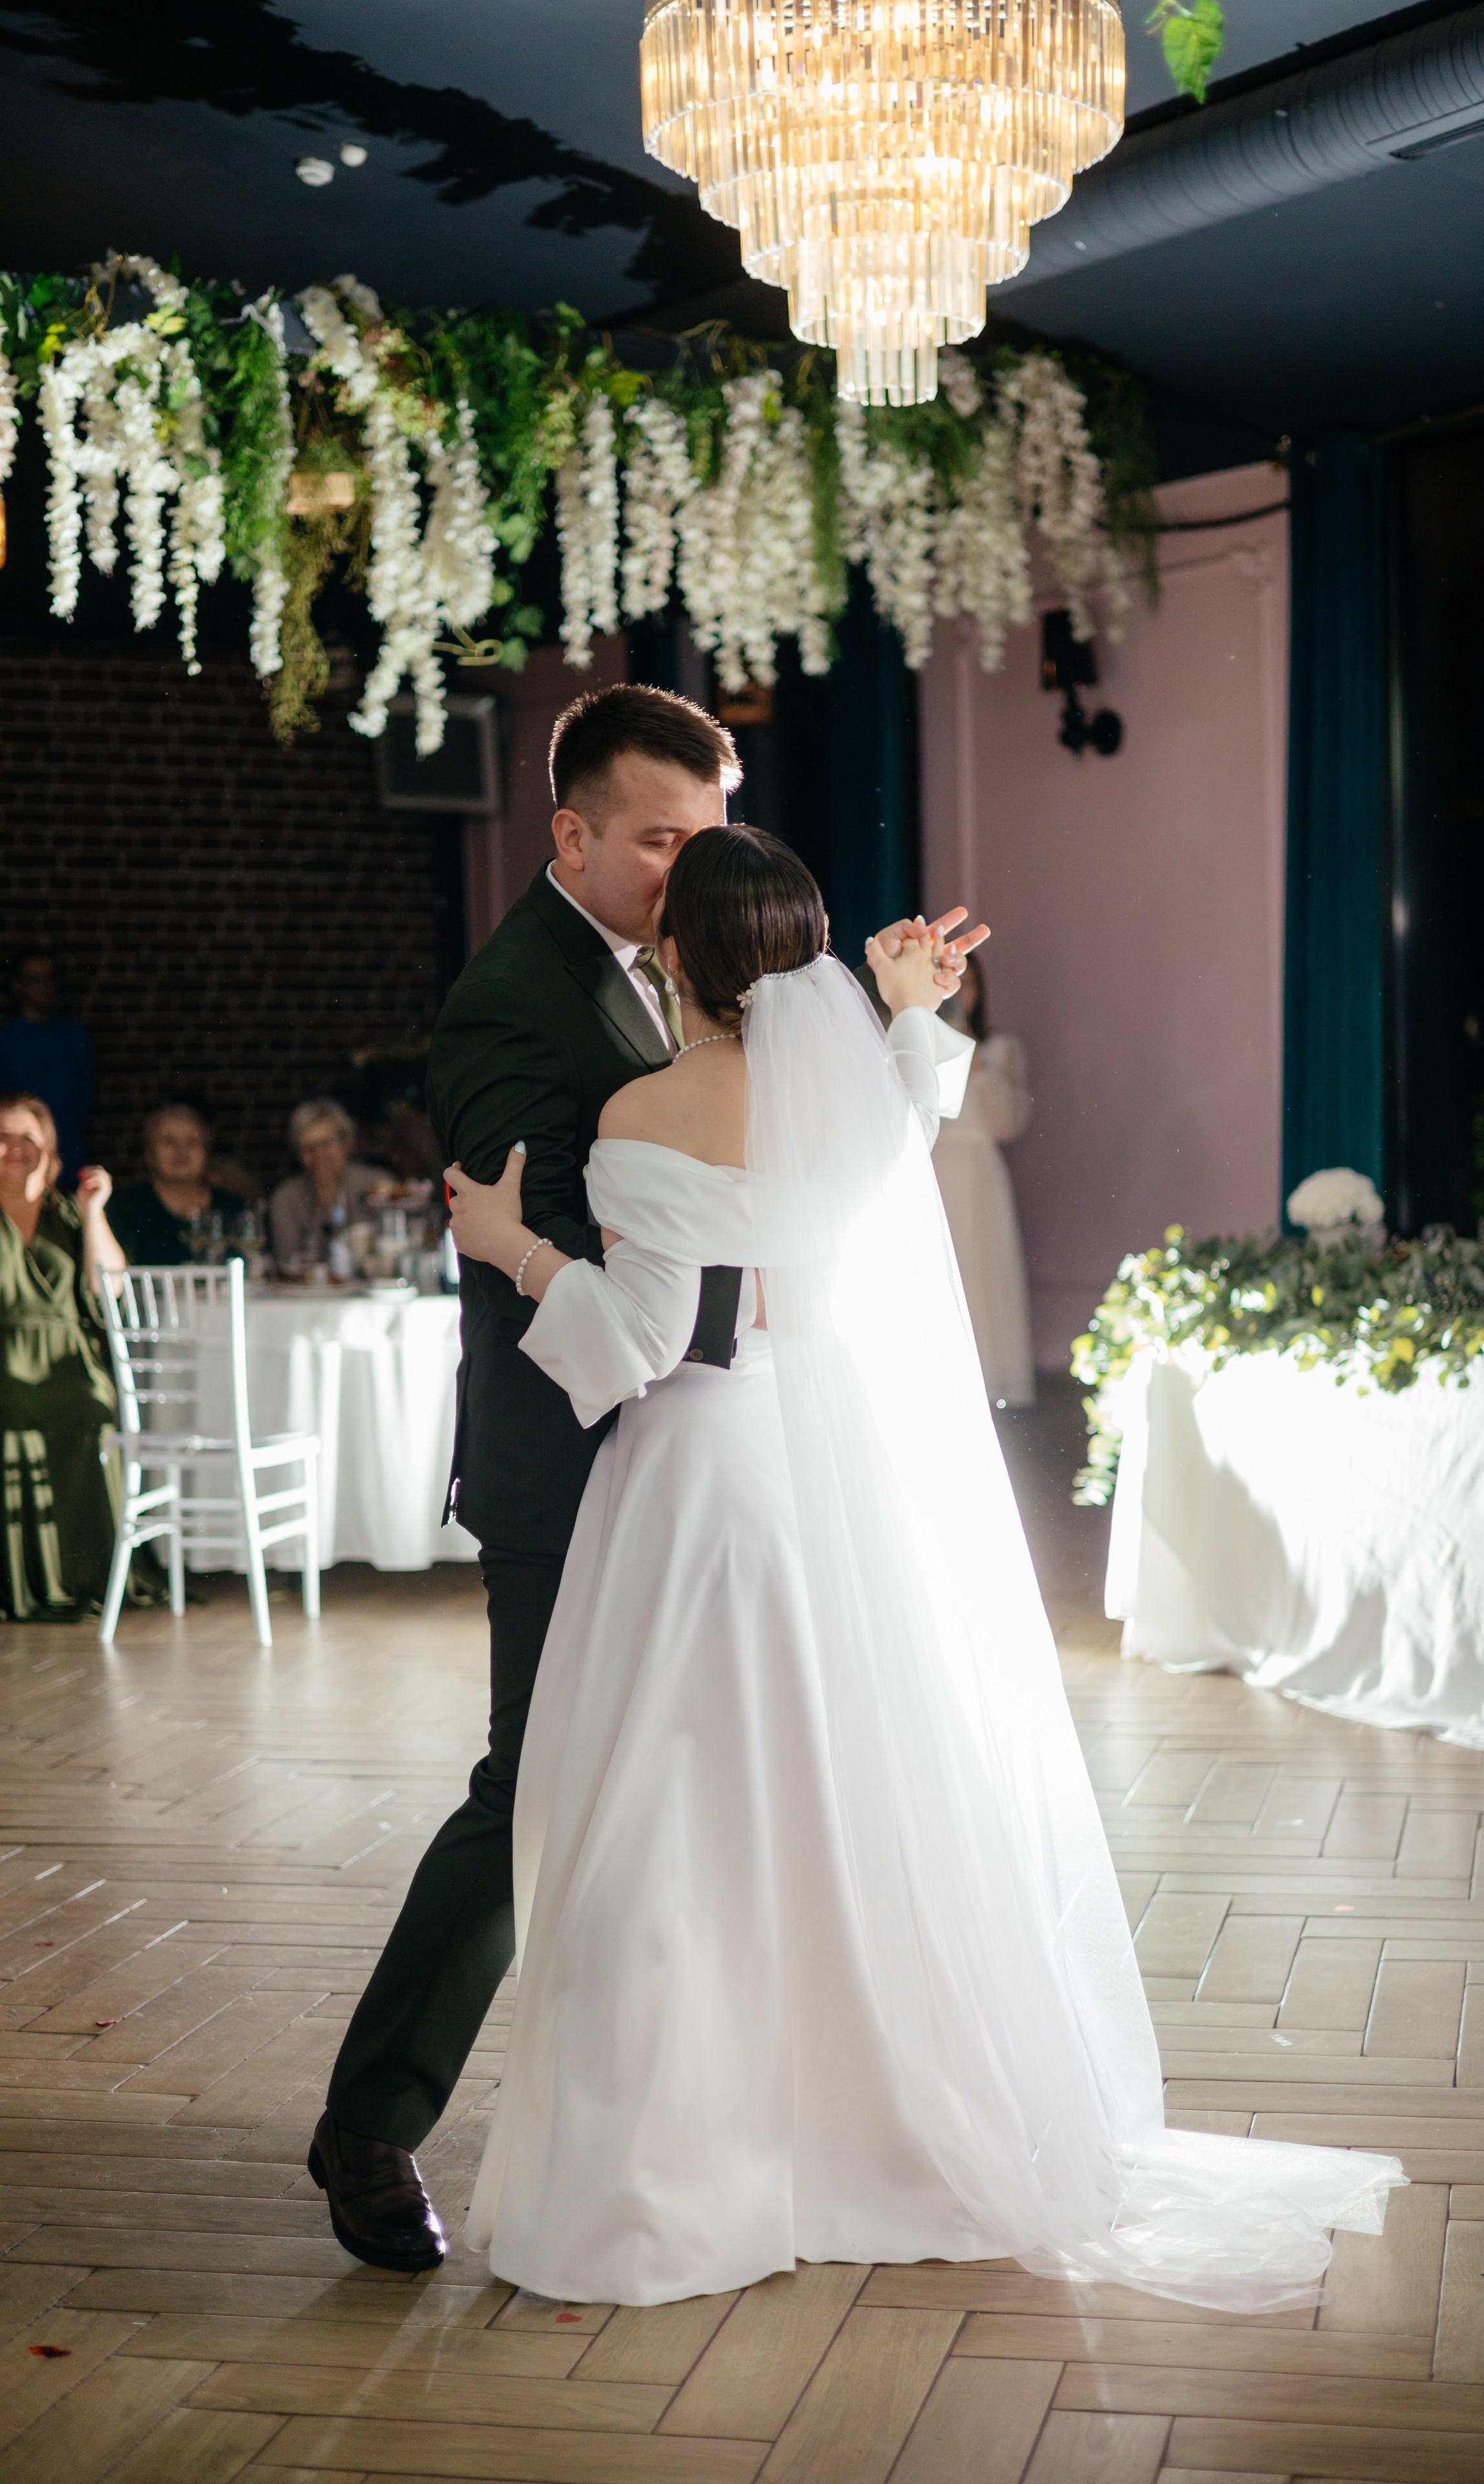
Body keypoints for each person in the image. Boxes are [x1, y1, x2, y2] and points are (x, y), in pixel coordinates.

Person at [441, 827, 1403, 2311]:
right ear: (799, 954)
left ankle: (674, 2169)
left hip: (699, 1482)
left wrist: (511, 1246)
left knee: (674, 1819)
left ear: (678, 955)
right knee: (844, 1797)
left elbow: (640, 1342)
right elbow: (908, 1109)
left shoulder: (642, 1110)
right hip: (842, 1482)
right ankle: (868, 2131)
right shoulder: (856, 1108)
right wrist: (905, 1009)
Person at [307, 682, 987, 2272]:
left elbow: (729, 1206)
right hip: (582, 1466)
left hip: (711, 1452)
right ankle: (372, 2124)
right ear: (571, 833)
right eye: (661, 841)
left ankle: (729, 2124)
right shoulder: (508, 1001)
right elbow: (567, 1234)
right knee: (535, 1796)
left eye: (708, 837)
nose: (688, 871)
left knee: (721, 1800)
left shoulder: (716, 993)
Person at [0, 1092, 132, 1620]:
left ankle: (89, 1574)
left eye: (26, 1137)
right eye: (1, 1137)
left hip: (69, 1362)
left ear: (48, 1148)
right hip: (5, 1361)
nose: (14, 1148)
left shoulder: (68, 1212)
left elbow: (110, 1289)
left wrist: (94, 1213)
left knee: (89, 1407)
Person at [932, 954, 1036, 1407]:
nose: (961, 994)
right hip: (933, 1169)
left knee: (983, 1273)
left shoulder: (1000, 1049)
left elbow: (1008, 1124)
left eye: (969, 984)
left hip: (979, 1173)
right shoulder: (917, 1045)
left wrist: (975, 1063)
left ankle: (991, 1383)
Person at [107, 1105, 250, 1267]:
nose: (181, 1150)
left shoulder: (232, 1207)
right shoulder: (124, 1206)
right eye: (169, 1141)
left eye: (192, 1142)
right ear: (149, 1154)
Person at [0, 952, 95, 1182]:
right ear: (18, 986)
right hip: (19, 1154)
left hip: (67, 1154)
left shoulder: (74, 1036)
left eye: (49, 979)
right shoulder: (6, 1039)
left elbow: (84, 1097)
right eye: (35, 980)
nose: (44, 987)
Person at [267, 1101, 385, 1269]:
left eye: (326, 1144)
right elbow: (287, 1262)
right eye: (309, 1149)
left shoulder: (377, 1184)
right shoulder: (286, 1198)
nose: (319, 1156)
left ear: (346, 1143)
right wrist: (324, 1213)